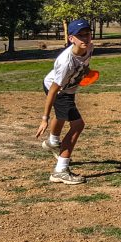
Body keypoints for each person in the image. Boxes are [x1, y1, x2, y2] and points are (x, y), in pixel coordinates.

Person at [35, 18, 95, 184]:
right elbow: (53, 91)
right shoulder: (65, 62)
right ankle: (60, 170)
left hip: (68, 88)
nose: (85, 38)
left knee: (62, 115)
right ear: (71, 38)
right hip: (59, 90)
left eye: (87, 34)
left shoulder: (90, 47)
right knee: (78, 124)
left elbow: (84, 63)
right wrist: (44, 119)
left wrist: (87, 72)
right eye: (80, 35)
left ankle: (53, 142)